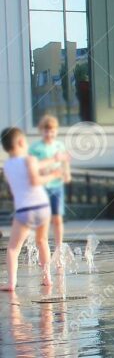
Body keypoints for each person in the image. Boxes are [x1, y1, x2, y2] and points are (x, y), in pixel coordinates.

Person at [2, 127, 65, 290]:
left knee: (13, 248)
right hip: (43, 208)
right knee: (42, 241)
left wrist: (52, 160)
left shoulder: (7, 166)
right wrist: (54, 174)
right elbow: (35, 179)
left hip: (25, 210)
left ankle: (11, 283)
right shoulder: (29, 160)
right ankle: (47, 278)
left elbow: (34, 167)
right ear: (21, 142)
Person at [29, 115, 71, 253]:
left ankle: (59, 247)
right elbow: (33, 167)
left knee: (57, 217)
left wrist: (67, 173)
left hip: (57, 185)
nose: (49, 134)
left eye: (52, 131)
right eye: (46, 131)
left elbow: (65, 161)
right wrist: (46, 169)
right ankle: (43, 245)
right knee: (44, 219)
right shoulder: (36, 147)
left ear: (56, 131)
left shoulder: (59, 145)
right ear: (41, 131)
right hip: (42, 187)